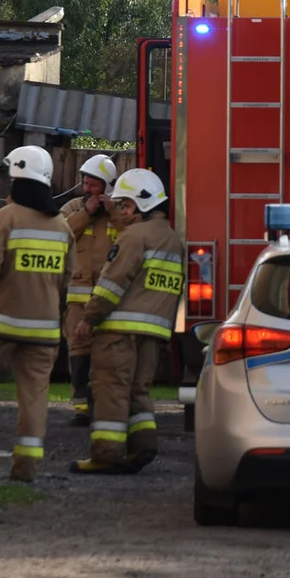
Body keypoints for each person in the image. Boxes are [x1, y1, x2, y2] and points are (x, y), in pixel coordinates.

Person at [68, 168, 186, 474]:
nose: (117, 210)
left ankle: (106, 455)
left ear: (134, 206)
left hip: (119, 331)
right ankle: (142, 446)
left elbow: (112, 283)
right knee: (138, 390)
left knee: (110, 388)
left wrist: (89, 319)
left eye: (121, 204)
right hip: (154, 331)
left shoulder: (133, 236)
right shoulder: (172, 240)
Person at [0, 145, 76, 482]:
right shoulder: (62, 226)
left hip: (0, 323)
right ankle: (26, 468)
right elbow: (66, 282)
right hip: (44, 331)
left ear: (17, 177)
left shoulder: (5, 218)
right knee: (34, 397)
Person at [58, 154, 123, 427]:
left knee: (107, 354)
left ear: (107, 187)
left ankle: (104, 405)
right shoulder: (73, 207)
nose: (87, 189)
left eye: (94, 185)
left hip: (109, 300)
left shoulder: (119, 212)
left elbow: (134, 235)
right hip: (78, 299)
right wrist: (87, 213)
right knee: (78, 350)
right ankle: (81, 407)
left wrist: (114, 213)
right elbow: (60, 232)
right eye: (86, 182)